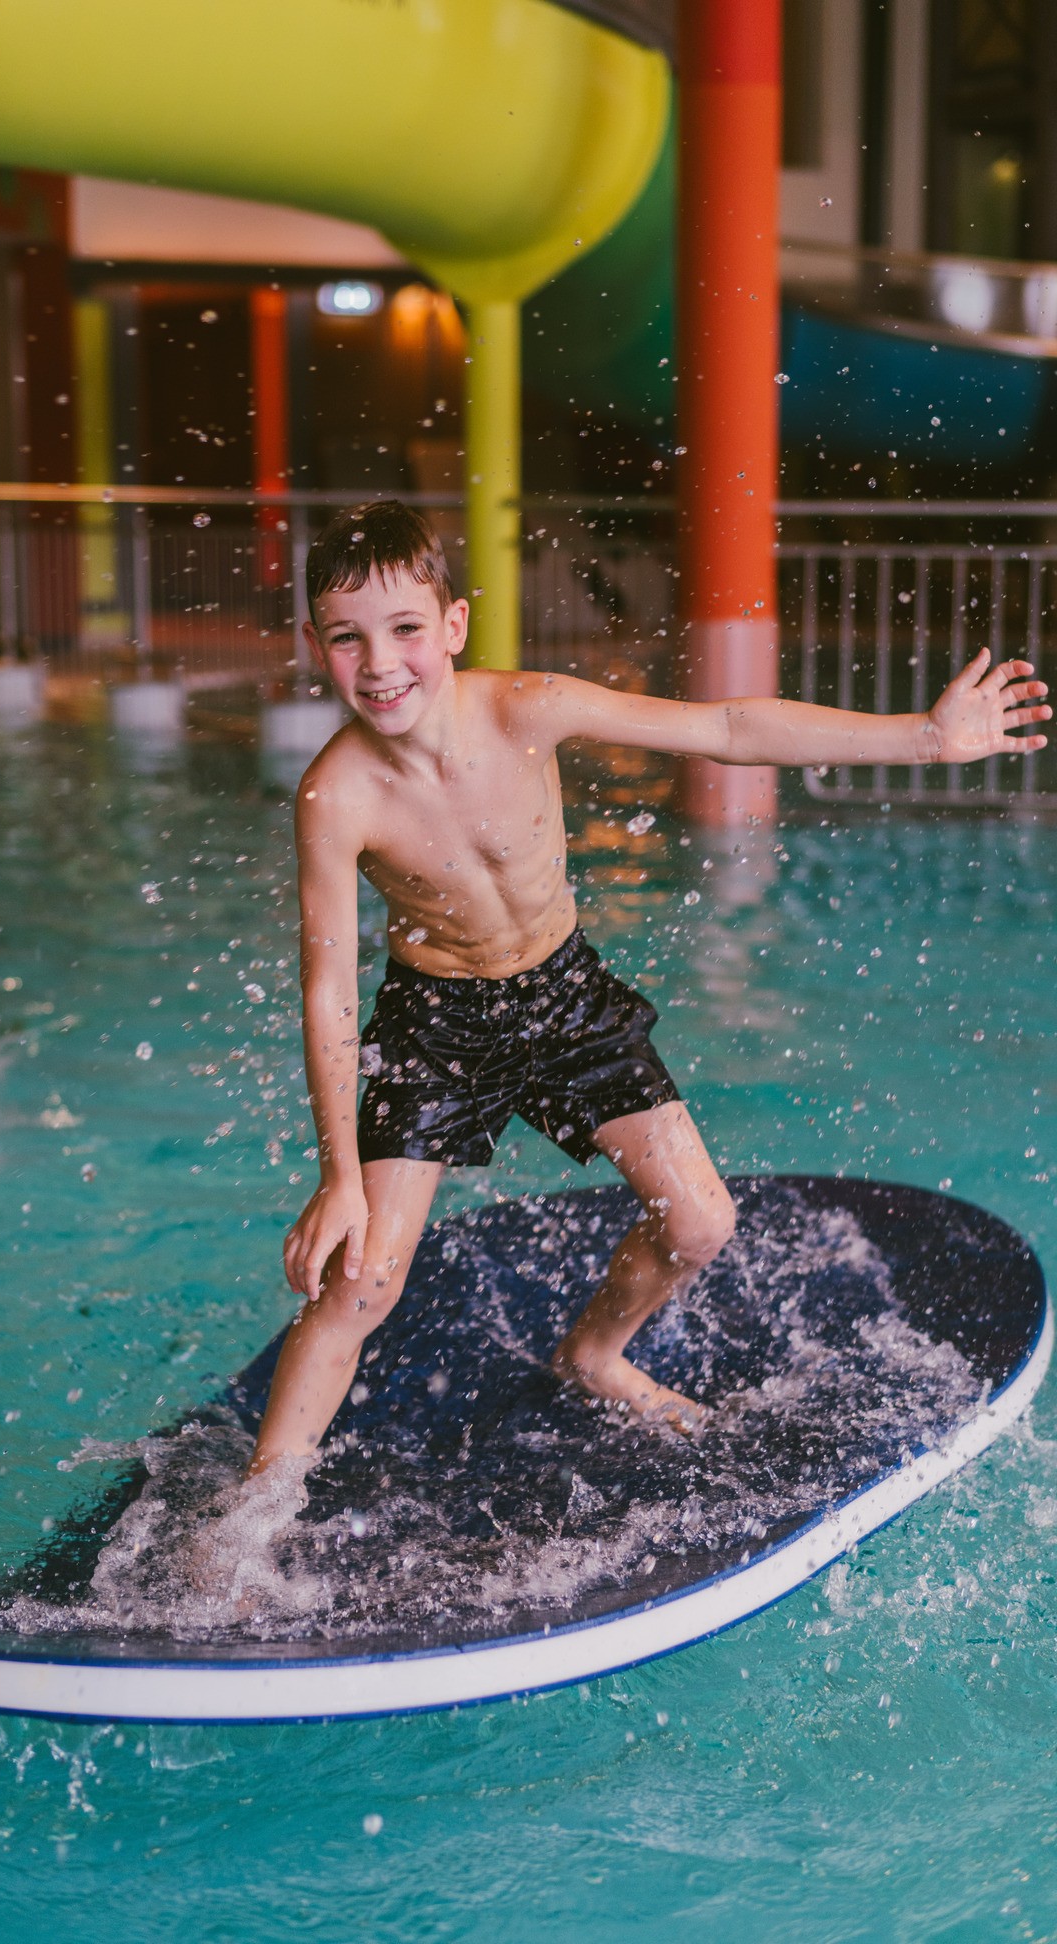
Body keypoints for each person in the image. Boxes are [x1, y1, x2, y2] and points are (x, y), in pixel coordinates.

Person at [248, 500, 1049, 1472]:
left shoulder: (526, 707)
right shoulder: (339, 795)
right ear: (314, 645)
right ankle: (252, 1512)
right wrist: (339, 1180)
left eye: (406, 629)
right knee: (363, 1279)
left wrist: (921, 738)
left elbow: (727, 726)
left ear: (453, 627)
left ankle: (593, 1355)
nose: (380, 664)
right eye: (348, 639)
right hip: (436, 1024)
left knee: (702, 1220)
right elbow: (327, 988)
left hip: (565, 995)